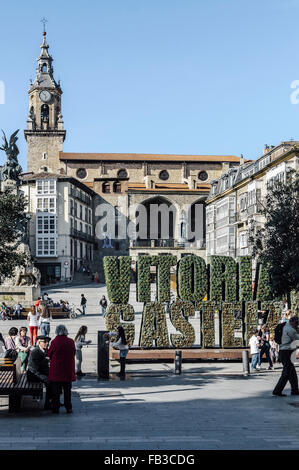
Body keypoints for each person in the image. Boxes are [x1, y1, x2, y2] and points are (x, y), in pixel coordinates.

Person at [48, 324, 76, 414]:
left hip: (56, 370)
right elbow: (73, 353)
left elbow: (50, 354)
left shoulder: (54, 342)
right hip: (67, 369)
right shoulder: (71, 341)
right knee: (67, 391)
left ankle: (55, 408)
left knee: (56, 392)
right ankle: (69, 407)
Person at [273, 316, 299, 397]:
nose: (297, 325)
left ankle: (295, 390)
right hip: (286, 352)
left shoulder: (285, 327)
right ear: (292, 322)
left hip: (284, 351)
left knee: (292, 373)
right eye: (297, 323)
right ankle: (277, 391)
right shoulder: (290, 329)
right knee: (287, 372)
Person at [27, 335, 52, 410]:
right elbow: (35, 368)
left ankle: (53, 400)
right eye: (45, 342)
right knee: (50, 382)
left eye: (48, 342)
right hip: (33, 375)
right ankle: (48, 404)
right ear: (39, 343)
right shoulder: (35, 351)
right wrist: (46, 361)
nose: (47, 343)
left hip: (40, 373)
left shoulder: (45, 350)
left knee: (55, 379)